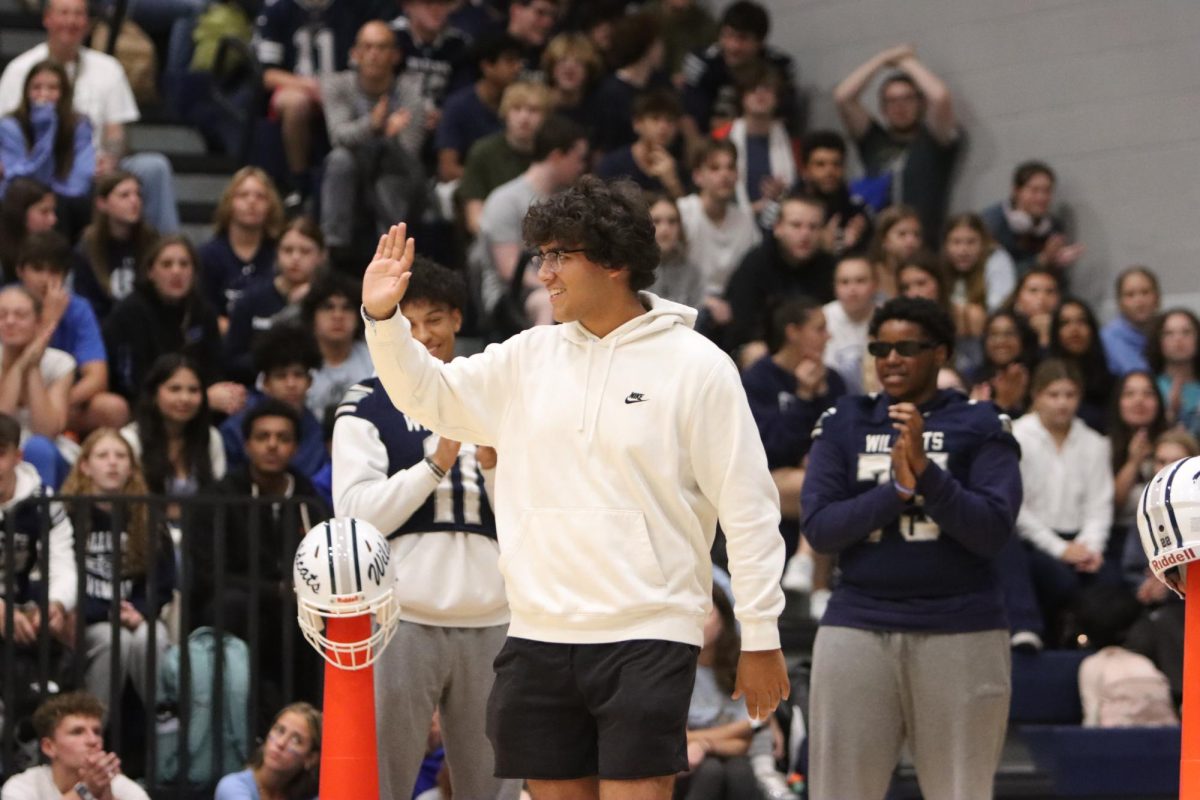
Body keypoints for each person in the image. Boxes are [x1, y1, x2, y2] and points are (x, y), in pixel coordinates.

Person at [361, 178, 789, 799]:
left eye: (561, 256)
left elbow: (749, 509)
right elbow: (427, 395)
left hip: (649, 632)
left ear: (615, 263)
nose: (544, 274)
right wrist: (382, 320)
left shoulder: (699, 367)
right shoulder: (522, 359)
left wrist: (762, 633)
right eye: (542, 256)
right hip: (537, 634)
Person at [800, 296, 1021, 800]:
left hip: (962, 627)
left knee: (960, 792)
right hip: (857, 623)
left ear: (941, 352)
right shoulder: (845, 422)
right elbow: (821, 529)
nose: (891, 359)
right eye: (881, 347)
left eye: (907, 347)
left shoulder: (981, 424)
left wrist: (925, 473)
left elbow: (992, 531)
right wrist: (895, 492)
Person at [334, 258, 518, 800]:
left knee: (496, 788)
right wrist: (434, 464)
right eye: (406, 325)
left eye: (433, 320)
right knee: (383, 784)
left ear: (457, 320)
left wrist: (489, 466)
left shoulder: (493, 396)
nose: (421, 336)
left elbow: (528, 518)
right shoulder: (365, 402)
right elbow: (354, 514)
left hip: (494, 617)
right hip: (400, 616)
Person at [0, 0, 179, 233]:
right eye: (64, 13)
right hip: (33, 165)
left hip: (95, 167)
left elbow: (117, 134)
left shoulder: (109, 69)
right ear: (47, 19)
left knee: (154, 167)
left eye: (78, 14)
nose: (71, 21)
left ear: (88, 23)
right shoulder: (19, 70)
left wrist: (111, 159)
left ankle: (167, 255)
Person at [59, 428, 174, 713]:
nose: (112, 462)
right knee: (114, 640)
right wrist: (105, 612)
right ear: (85, 466)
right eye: (103, 455)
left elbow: (162, 582)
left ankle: (163, 723)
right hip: (86, 619)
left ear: (132, 468)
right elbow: (60, 574)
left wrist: (140, 611)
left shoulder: (148, 517)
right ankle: (97, 726)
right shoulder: (67, 514)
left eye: (121, 456)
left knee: (152, 637)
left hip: (136, 615)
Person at [1012, 359, 1116, 636]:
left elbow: (1099, 504)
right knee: (1053, 577)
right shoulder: (1017, 437)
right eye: (1054, 395)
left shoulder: (1094, 443)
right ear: (1037, 396)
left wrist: (1090, 547)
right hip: (1032, 542)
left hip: (1081, 541)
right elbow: (1016, 508)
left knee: (1113, 586)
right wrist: (1060, 549)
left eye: (1070, 395)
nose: (1062, 403)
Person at [252, 0, 385, 208]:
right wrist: (310, 86)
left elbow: (362, 65)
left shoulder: (353, 9)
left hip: (345, 87)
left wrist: (333, 88)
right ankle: (299, 181)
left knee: (368, 96)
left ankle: (368, 181)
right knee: (297, 103)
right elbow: (267, 75)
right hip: (296, 86)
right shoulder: (278, 10)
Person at [742, 296, 844, 564]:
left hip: (818, 473)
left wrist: (820, 396)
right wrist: (803, 398)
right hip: (767, 477)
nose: (828, 336)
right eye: (819, 329)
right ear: (793, 332)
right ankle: (812, 575)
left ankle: (809, 572)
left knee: (822, 484)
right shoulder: (758, 379)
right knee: (819, 488)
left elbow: (845, 436)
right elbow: (767, 449)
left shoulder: (832, 381)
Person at [320, 21, 427, 264]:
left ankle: (388, 254)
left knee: (394, 168)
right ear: (354, 54)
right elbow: (338, 136)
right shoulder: (337, 84)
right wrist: (374, 126)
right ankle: (336, 251)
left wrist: (385, 138)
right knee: (339, 159)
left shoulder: (410, 92)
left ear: (396, 55)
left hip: (396, 169)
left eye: (381, 47)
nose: (374, 54)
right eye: (367, 47)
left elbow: (410, 151)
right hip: (354, 167)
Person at [834, 45, 960, 246]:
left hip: (924, 243)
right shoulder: (873, 140)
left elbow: (939, 96)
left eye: (907, 99)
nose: (900, 106)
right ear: (882, 108)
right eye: (891, 101)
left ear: (920, 103)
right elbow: (843, 96)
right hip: (879, 245)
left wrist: (907, 61)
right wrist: (883, 58)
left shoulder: (934, 138)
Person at [474, 115, 588, 329]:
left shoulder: (568, 200)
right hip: (510, 294)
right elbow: (510, 270)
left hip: (556, 283)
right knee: (548, 302)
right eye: (578, 158)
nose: (581, 167)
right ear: (557, 156)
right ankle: (540, 359)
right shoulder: (505, 200)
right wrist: (562, 286)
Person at [102, 235, 235, 413]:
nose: (176, 271)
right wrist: (200, 397)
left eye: (184, 264)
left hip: (196, 408)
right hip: (142, 410)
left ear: (194, 271)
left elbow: (215, 369)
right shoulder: (129, 313)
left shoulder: (203, 312)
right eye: (166, 264)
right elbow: (131, 383)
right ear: (150, 272)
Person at [14, 232, 128, 434]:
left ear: (66, 276)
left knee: (113, 408)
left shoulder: (78, 308)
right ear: (20, 271)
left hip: (61, 401)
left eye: (54, 272)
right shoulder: (7, 305)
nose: (46, 280)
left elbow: (97, 378)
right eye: (38, 269)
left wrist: (53, 403)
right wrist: (49, 322)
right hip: (11, 400)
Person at [725, 195, 836, 355]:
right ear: (778, 227)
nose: (805, 234)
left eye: (813, 227)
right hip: (767, 349)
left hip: (817, 345)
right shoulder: (755, 264)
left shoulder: (829, 267)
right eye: (796, 225)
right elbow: (743, 326)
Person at [0, 411, 74, 649]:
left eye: (0, 453)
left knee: (66, 626)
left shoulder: (44, 504)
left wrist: (57, 604)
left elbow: (63, 566)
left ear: (17, 457)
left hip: (26, 611)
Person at [675, 586, 758, 800]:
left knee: (740, 772)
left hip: (731, 755)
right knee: (711, 771)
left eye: (708, 613)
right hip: (683, 762)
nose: (700, 623)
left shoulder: (742, 661)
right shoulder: (674, 665)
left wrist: (704, 744)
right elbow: (677, 738)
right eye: (695, 614)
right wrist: (735, 732)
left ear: (725, 618)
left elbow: (747, 737)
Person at [224, 217, 326, 385]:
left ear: (321, 255)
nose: (295, 258)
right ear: (277, 253)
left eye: (305, 251)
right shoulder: (250, 300)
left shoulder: (332, 301)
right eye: (287, 250)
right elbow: (232, 360)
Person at [220, 325, 326, 480]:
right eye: (281, 376)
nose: (291, 384)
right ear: (266, 383)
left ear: (309, 382)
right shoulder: (235, 428)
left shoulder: (316, 429)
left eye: (298, 375)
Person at [681, 1, 800, 139]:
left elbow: (784, 119)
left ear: (760, 42)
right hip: (711, 144)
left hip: (761, 141)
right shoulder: (704, 62)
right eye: (728, 35)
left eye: (742, 38)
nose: (733, 46)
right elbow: (689, 117)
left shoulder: (780, 66)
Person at [0, 60, 93, 234]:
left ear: (64, 93)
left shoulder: (79, 125)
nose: (44, 95)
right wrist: (45, 126)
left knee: (65, 205)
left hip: (65, 201)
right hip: (19, 199)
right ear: (26, 92)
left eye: (52, 88)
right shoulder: (10, 125)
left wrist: (51, 196)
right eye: (37, 88)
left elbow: (81, 179)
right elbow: (22, 178)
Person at [1, 691, 148, 800]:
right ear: (49, 747)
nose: (93, 740)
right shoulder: (23, 786)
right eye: (77, 732)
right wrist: (85, 790)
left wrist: (106, 795)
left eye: (97, 732)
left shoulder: (120, 786)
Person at [677, 140, 761, 329]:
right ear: (698, 176)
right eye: (715, 168)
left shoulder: (744, 219)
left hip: (732, 307)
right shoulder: (684, 213)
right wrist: (705, 301)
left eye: (730, 167)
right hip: (685, 305)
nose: (725, 175)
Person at [120, 353, 226, 501]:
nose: (185, 398)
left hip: (200, 523)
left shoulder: (212, 437)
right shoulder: (130, 439)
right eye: (175, 389)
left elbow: (219, 498)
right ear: (154, 395)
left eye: (193, 390)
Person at [0, 285, 74, 487]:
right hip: (3, 452)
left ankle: (39, 517)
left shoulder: (61, 363)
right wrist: (21, 364)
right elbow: (1, 426)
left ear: (38, 322)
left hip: (47, 454)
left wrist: (32, 366)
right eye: (2, 315)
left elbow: (47, 431)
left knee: (38, 447)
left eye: (20, 315)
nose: (9, 321)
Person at [458, 81, 550, 237]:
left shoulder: (552, 154)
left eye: (533, 110)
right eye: (516, 108)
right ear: (505, 113)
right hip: (494, 239)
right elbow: (474, 220)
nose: (524, 117)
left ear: (545, 117)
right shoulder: (483, 151)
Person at [711, 62, 795, 228]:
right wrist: (753, 209)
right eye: (752, 88)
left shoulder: (790, 142)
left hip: (777, 225)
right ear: (742, 97)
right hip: (731, 225)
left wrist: (781, 194)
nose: (760, 93)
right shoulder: (721, 138)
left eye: (767, 88)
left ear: (777, 98)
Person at [197, 167, 285, 326]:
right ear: (229, 203)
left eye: (260, 197)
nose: (252, 202)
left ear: (270, 206)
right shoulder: (208, 256)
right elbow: (204, 313)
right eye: (243, 195)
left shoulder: (280, 254)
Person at [434, 32, 526, 183]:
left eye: (519, 61)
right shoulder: (458, 106)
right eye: (509, 61)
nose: (518, 67)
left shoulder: (522, 106)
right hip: (467, 187)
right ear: (487, 66)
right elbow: (447, 170)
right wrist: (496, 181)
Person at [73, 171, 158, 322]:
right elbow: (86, 304)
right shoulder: (86, 248)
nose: (134, 201)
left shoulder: (152, 241)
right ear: (102, 203)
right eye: (124, 195)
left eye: (138, 194)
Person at [981, 160, 1084, 278]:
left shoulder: (1052, 226)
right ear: (1016, 191)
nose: (1041, 198)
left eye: (1047, 191)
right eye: (1034, 190)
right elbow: (994, 276)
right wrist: (1042, 259)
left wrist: (1056, 263)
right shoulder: (991, 223)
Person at [589, 12, 668, 156]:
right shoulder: (610, 92)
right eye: (658, 43)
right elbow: (603, 145)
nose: (662, 49)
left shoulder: (661, 84)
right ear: (646, 48)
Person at [301, 273, 372, 420]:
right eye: (328, 307)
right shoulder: (295, 359)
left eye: (347, 308)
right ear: (312, 316)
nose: (338, 315)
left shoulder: (375, 359)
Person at [214, 702, 321, 800]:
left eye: (296, 740)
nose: (280, 743)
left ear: (311, 759)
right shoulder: (233, 786)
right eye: (279, 730)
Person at [596, 89, 688, 199]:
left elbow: (687, 213)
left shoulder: (678, 169)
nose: (664, 126)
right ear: (637, 123)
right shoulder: (612, 164)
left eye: (670, 120)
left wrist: (673, 183)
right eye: (655, 118)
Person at [797, 130, 871, 256]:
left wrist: (856, 243)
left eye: (836, 164)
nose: (830, 172)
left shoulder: (857, 209)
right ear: (805, 170)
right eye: (820, 165)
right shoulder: (788, 207)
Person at [389, 0, 472, 111]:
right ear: (408, 6)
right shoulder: (389, 38)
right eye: (428, 3)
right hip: (395, 115)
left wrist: (444, 113)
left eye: (442, 3)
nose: (436, 9)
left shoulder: (459, 44)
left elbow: (462, 93)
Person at [1048, 298, 1112, 433]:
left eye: (1081, 321)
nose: (1074, 329)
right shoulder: (1044, 375)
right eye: (1065, 323)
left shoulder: (1109, 379)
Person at [939, 212, 1016, 322]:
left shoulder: (996, 258)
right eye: (956, 242)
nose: (963, 250)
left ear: (983, 243)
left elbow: (998, 308)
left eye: (971, 242)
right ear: (946, 245)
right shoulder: (940, 264)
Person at [822, 255, 878, 394]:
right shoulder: (821, 319)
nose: (852, 289)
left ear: (875, 285)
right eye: (844, 282)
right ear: (834, 287)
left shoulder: (888, 319)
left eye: (860, 281)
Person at [968, 310, 1038, 419]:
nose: (1001, 341)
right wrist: (1002, 403)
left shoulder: (1038, 375)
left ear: (1023, 339)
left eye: (1009, 334)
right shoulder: (972, 378)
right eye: (993, 334)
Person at [1100, 266, 1160, 377]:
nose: (1139, 301)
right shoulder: (1107, 338)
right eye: (1130, 295)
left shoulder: (1168, 331)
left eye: (1145, 292)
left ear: (1157, 298)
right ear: (1120, 303)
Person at [647, 194, 704, 310]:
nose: (665, 229)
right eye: (656, 221)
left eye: (672, 221)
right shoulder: (631, 270)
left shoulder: (692, 271)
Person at [1148, 309, 1200, 435]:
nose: (1178, 339)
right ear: (1159, 341)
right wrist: (1171, 413)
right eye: (1169, 333)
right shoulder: (1149, 387)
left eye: (1186, 332)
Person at [540, 32, 602, 130]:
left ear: (589, 69)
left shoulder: (600, 112)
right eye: (562, 60)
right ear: (551, 67)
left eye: (578, 62)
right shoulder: (538, 107)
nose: (569, 68)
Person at [0, 178, 58, 283]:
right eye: (44, 212)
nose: (53, 220)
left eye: (53, 211)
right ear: (20, 214)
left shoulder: (54, 249)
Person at [864, 204, 922, 300]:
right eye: (902, 234)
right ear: (884, 239)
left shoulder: (926, 275)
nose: (911, 241)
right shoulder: (868, 272)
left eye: (916, 235)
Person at [1006, 267, 1060, 350]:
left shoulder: (1063, 328)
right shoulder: (1004, 325)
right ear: (1017, 296)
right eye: (1033, 290)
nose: (1041, 298)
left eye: (1049, 291)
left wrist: (1044, 336)